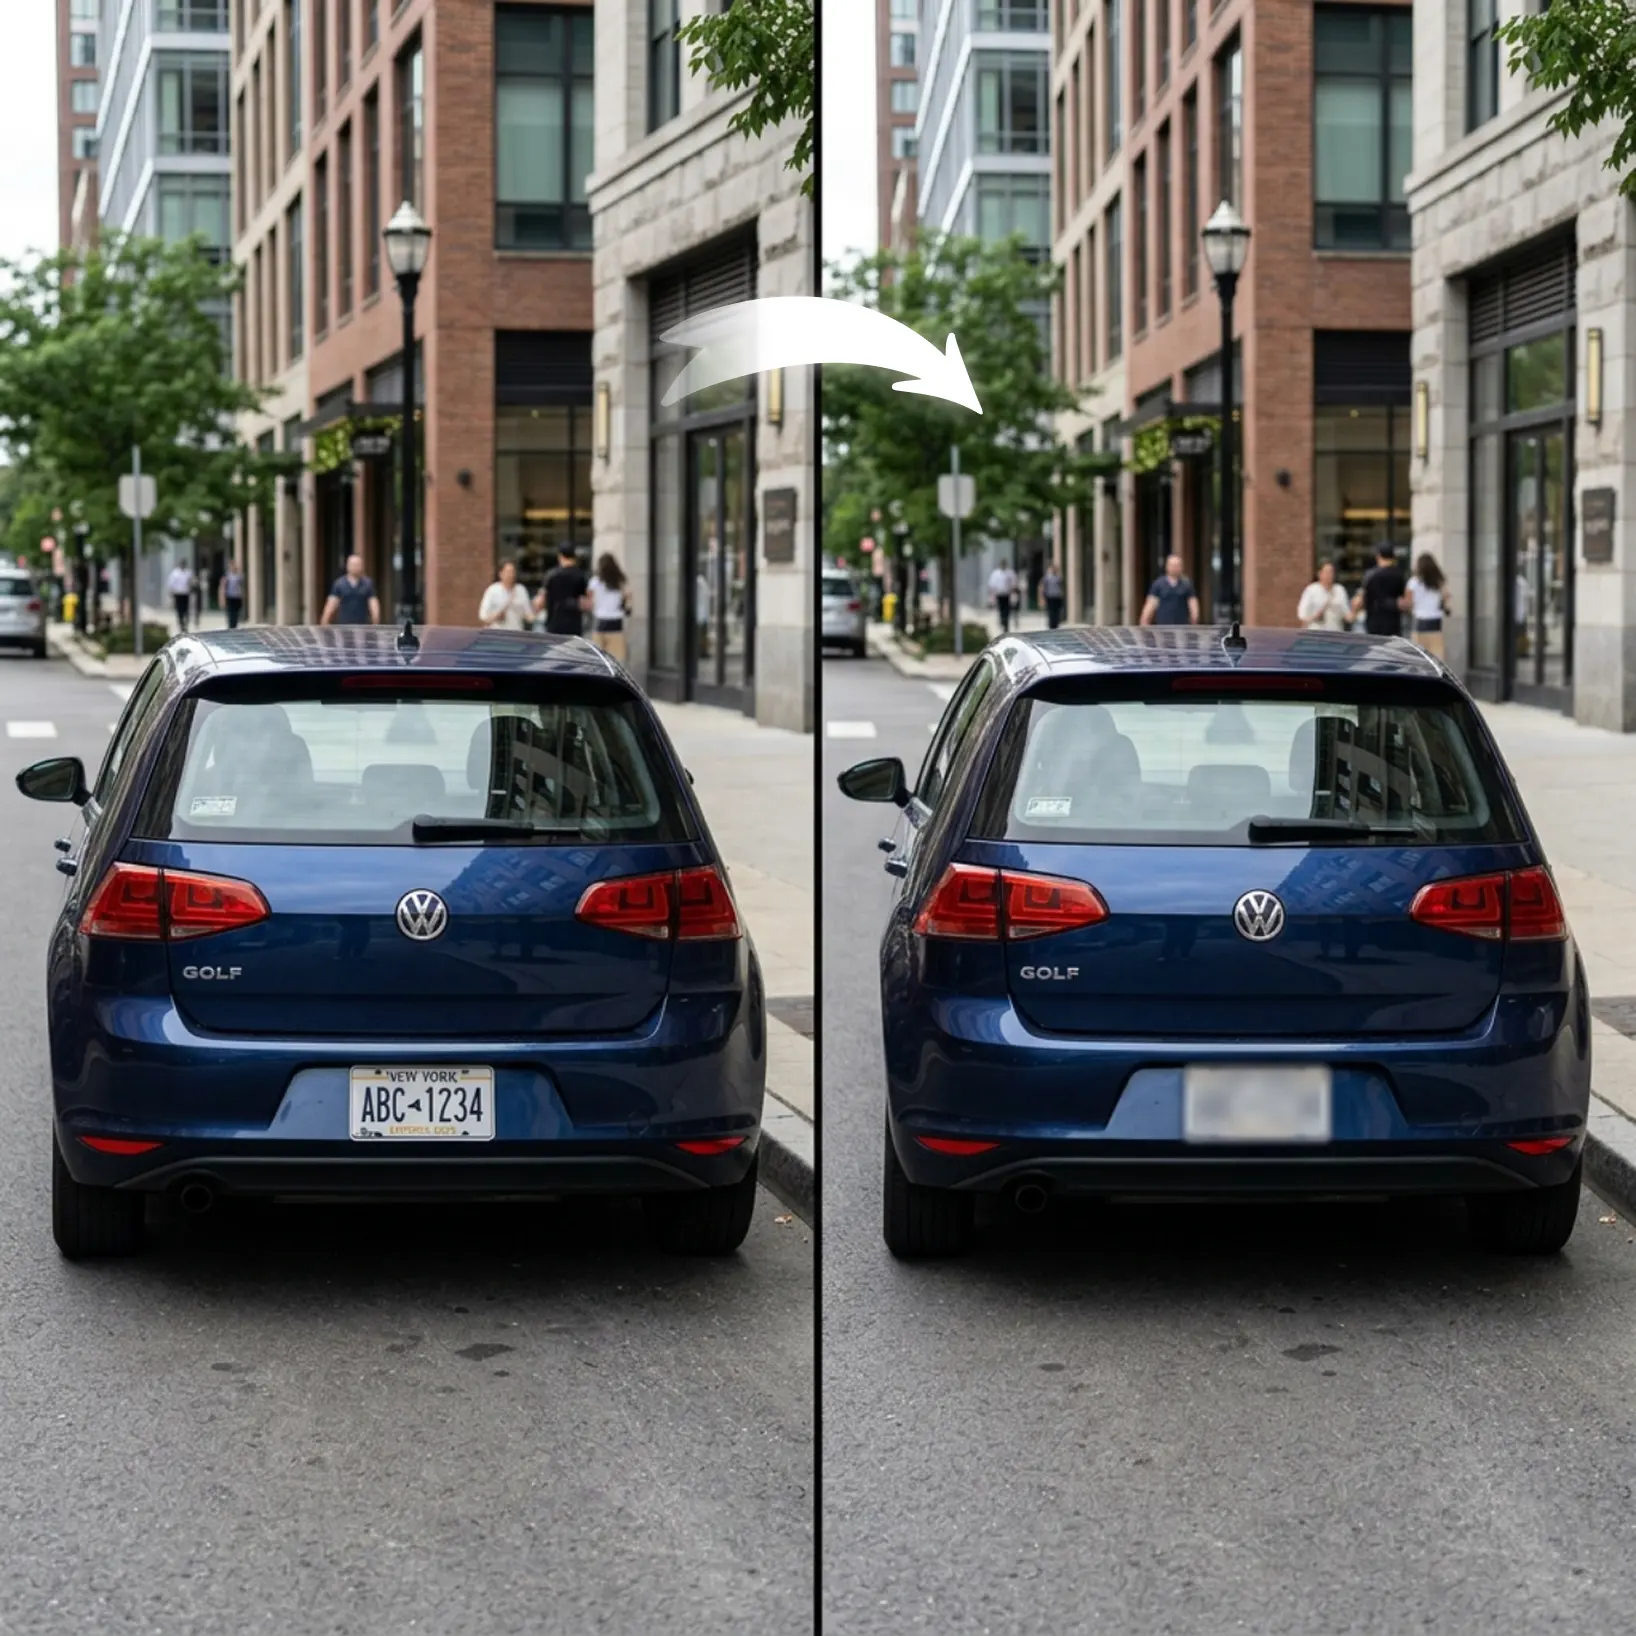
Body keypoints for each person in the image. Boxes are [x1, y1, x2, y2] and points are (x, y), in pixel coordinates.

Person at [1402, 552, 1451, 657]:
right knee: (1437, 655)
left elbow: (1408, 603)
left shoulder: (1413, 582)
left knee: (1420, 656)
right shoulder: (1440, 581)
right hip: (1436, 620)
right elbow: (1446, 597)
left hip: (1420, 621)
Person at [1352, 544, 1406, 637]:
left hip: (1374, 623)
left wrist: (1354, 611)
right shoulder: (1399, 575)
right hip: (1394, 622)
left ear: (1378, 556)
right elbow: (1402, 597)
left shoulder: (1371, 575)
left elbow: (1361, 598)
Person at [587, 553, 631, 661]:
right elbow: (628, 599)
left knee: (599, 660)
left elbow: (590, 601)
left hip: (600, 622)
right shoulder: (621, 580)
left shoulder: (594, 581)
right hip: (616, 623)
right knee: (616, 661)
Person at [536, 546, 589, 636]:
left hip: (554, 623)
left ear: (560, 556)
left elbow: (541, 600)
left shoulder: (551, 575)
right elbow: (585, 602)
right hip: (574, 625)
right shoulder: (581, 576)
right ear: (574, 557)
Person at [320, 554, 381, 626]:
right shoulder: (339, 584)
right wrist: (324, 621)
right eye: (352, 564)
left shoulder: (368, 584)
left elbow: (373, 604)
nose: (355, 567)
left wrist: (376, 621)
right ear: (347, 566)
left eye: (357, 564)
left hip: (363, 626)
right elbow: (331, 604)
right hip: (344, 626)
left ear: (362, 566)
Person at [1140, 554, 1200, 626]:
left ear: (1181, 567)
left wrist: (1194, 619)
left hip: (1182, 627)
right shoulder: (1159, 584)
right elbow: (1150, 604)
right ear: (1167, 566)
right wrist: (1144, 620)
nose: (1175, 568)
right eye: (1172, 565)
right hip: (1163, 627)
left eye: (1177, 565)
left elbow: (1193, 604)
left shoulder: (1187, 585)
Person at [478, 559, 534, 630]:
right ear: (500, 574)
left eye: (513, 572)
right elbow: (483, 617)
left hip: (516, 634)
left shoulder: (521, 590)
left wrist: (536, 609)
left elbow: (529, 616)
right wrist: (498, 615)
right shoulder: (492, 590)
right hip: (498, 634)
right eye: (508, 572)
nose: (511, 575)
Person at [1297, 560, 1350, 631]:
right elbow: (1302, 615)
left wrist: (1355, 607)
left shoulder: (1340, 589)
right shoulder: (1311, 590)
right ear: (1319, 574)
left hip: (1336, 634)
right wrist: (1316, 617)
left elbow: (1348, 617)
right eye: (1326, 572)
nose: (1329, 575)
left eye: (1331, 572)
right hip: (1316, 635)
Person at [988, 559, 1018, 633]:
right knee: (1001, 608)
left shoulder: (1010, 573)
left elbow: (1014, 582)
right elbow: (992, 584)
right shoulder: (996, 573)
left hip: (1007, 594)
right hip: (999, 594)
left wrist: (1013, 590)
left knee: (1007, 609)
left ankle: (1006, 623)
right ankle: (1002, 620)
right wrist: (992, 594)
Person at [167, 561, 194, 633]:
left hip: (185, 593)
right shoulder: (175, 573)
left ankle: (186, 623)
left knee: (186, 609)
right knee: (179, 610)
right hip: (178, 593)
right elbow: (171, 583)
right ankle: (181, 624)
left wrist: (191, 589)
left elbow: (190, 582)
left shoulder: (188, 572)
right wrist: (171, 592)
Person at [1041, 560, 1066, 630]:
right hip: (1050, 597)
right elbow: (1043, 587)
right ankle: (1051, 625)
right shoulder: (1047, 577)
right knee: (1051, 612)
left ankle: (1056, 624)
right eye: (1053, 568)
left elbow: (1062, 587)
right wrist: (1043, 597)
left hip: (1057, 597)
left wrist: (1062, 595)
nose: (1055, 570)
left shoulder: (1058, 578)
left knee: (1057, 611)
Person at [221, 560, 246, 630]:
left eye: (235, 565)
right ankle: (231, 628)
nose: (234, 567)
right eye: (232, 565)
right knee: (231, 614)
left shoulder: (240, 575)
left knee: (236, 614)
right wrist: (222, 599)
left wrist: (243, 596)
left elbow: (242, 586)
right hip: (230, 597)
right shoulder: (227, 575)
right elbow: (223, 587)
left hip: (237, 597)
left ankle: (234, 627)